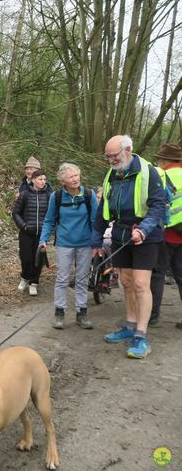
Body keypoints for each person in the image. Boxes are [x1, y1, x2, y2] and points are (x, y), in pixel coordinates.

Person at [91, 135, 166, 359]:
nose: (111, 160)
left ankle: (141, 336)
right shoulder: (111, 174)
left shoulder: (148, 172)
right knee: (125, 282)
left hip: (146, 236)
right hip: (120, 234)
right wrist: (96, 240)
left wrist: (144, 228)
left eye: (114, 156)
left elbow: (158, 205)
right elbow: (103, 208)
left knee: (141, 284)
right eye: (108, 157)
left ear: (128, 150)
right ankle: (130, 325)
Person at [39, 163, 98, 330]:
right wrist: (43, 240)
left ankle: (82, 313)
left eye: (77, 175)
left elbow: (95, 220)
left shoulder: (89, 195)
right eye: (71, 176)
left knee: (81, 279)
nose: (76, 179)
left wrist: (97, 243)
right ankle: (59, 313)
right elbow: (50, 220)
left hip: (85, 244)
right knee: (62, 279)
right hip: (64, 243)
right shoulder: (56, 197)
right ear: (62, 180)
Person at [148, 143, 182, 328]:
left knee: (158, 273)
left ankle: (153, 315)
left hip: (166, 232)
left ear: (165, 160)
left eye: (159, 158)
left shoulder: (162, 175)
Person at [13, 169, 51, 296]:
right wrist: (23, 226)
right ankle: (25, 277)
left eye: (44, 179)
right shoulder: (24, 194)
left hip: (41, 234)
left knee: (38, 259)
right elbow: (16, 213)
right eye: (40, 179)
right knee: (25, 258)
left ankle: (34, 282)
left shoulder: (49, 196)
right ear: (33, 180)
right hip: (26, 232)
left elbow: (53, 215)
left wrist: (49, 230)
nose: (43, 182)